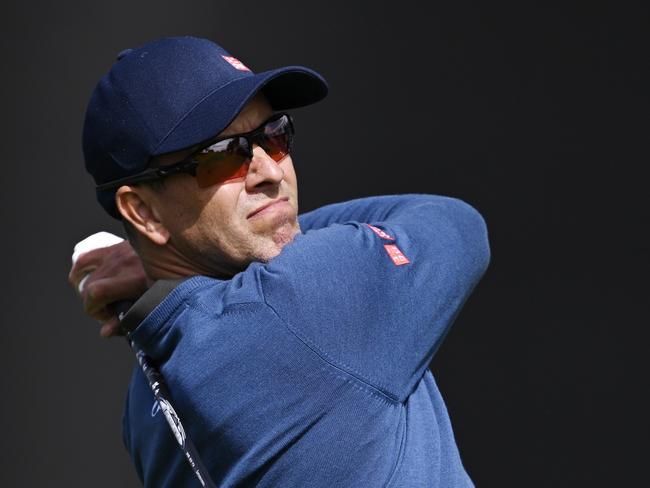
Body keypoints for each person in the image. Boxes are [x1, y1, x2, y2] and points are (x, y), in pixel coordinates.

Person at [69, 36, 490, 487]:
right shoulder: (305, 303)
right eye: (222, 156)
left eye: (273, 135)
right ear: (144, 212)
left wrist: (161, 258)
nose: (270, 170)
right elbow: (455, 224)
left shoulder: (142, 406)